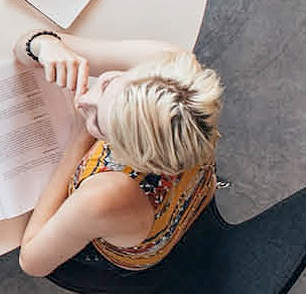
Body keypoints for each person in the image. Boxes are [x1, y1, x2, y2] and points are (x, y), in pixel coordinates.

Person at [15, 30, 222, 277]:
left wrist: (79, 139)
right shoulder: (169, 65)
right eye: (108, 83)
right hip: (192, 193)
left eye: (99, 124)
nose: (83, 101)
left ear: (127, 155)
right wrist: (44, 45)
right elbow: (25, 45)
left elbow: (31, 261)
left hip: (132, 258)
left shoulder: (103, 197)